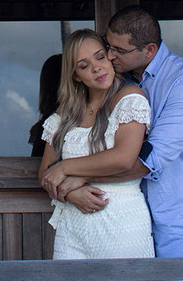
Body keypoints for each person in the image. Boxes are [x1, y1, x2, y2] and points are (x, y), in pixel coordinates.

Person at [42, 6, 183, 259]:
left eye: (118, 51)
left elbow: (148, 161)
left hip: (178, 224)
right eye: (108, 47)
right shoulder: (121, 81)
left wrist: (72, 176)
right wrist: (69, 189)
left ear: (149, 50)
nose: (110, 57)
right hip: (124, 220)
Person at [38, 29, 155, 260]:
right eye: (83, 65)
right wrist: (71, 194)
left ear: (110, 58)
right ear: (76, 76)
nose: (96, 68)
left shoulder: (129, 97)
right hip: (71, 226)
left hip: (120, 223)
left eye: (100, 57)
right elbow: (45, 173)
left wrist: (63, 167)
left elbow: (123, 158)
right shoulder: (64, 114)